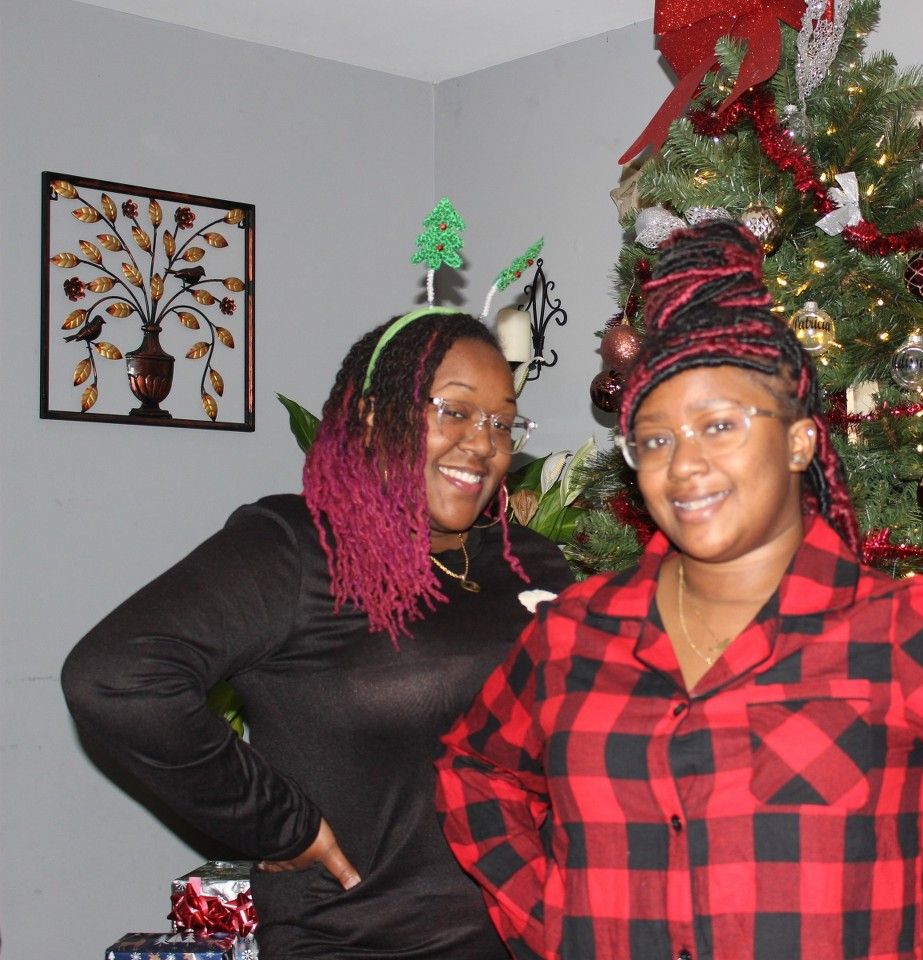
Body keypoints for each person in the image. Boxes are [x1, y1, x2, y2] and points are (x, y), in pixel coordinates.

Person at [435, 220, 923, 960]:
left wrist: (913, 898)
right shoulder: (575, 633)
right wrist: (549, 917)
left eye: (719, 425)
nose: (683, 464)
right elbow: (476, 773)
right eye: (654, 439)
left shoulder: (891, 631)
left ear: (798, 441)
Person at [63, 308, 573, 959]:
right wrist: (281, 825)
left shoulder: (532, 562)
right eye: (455, 411)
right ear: (372, 418)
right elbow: (116, 677)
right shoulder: (300, 549)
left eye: (502, 422)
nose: (484, 442)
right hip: (362, 945)